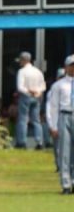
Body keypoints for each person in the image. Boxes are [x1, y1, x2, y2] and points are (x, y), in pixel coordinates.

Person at [45, 54, 74, 194]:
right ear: (66, 67)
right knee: (64, 151)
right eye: (71, 65)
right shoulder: (59, 85)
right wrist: (53, 125)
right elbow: (53, 106)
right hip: (65, 114)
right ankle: (66, 183)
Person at [14, 52, 46, 150]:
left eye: (20, 60)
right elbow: (43, 86)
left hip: (25, 97)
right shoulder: (38, 71)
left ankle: (21, 142)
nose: (19, 62)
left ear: (24, 60)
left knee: (23, 119)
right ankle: (39, 142)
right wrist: (38, 92)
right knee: (36, 120)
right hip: (37, 97)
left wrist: (29, 91)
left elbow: (20, 87)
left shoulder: (22, 71)